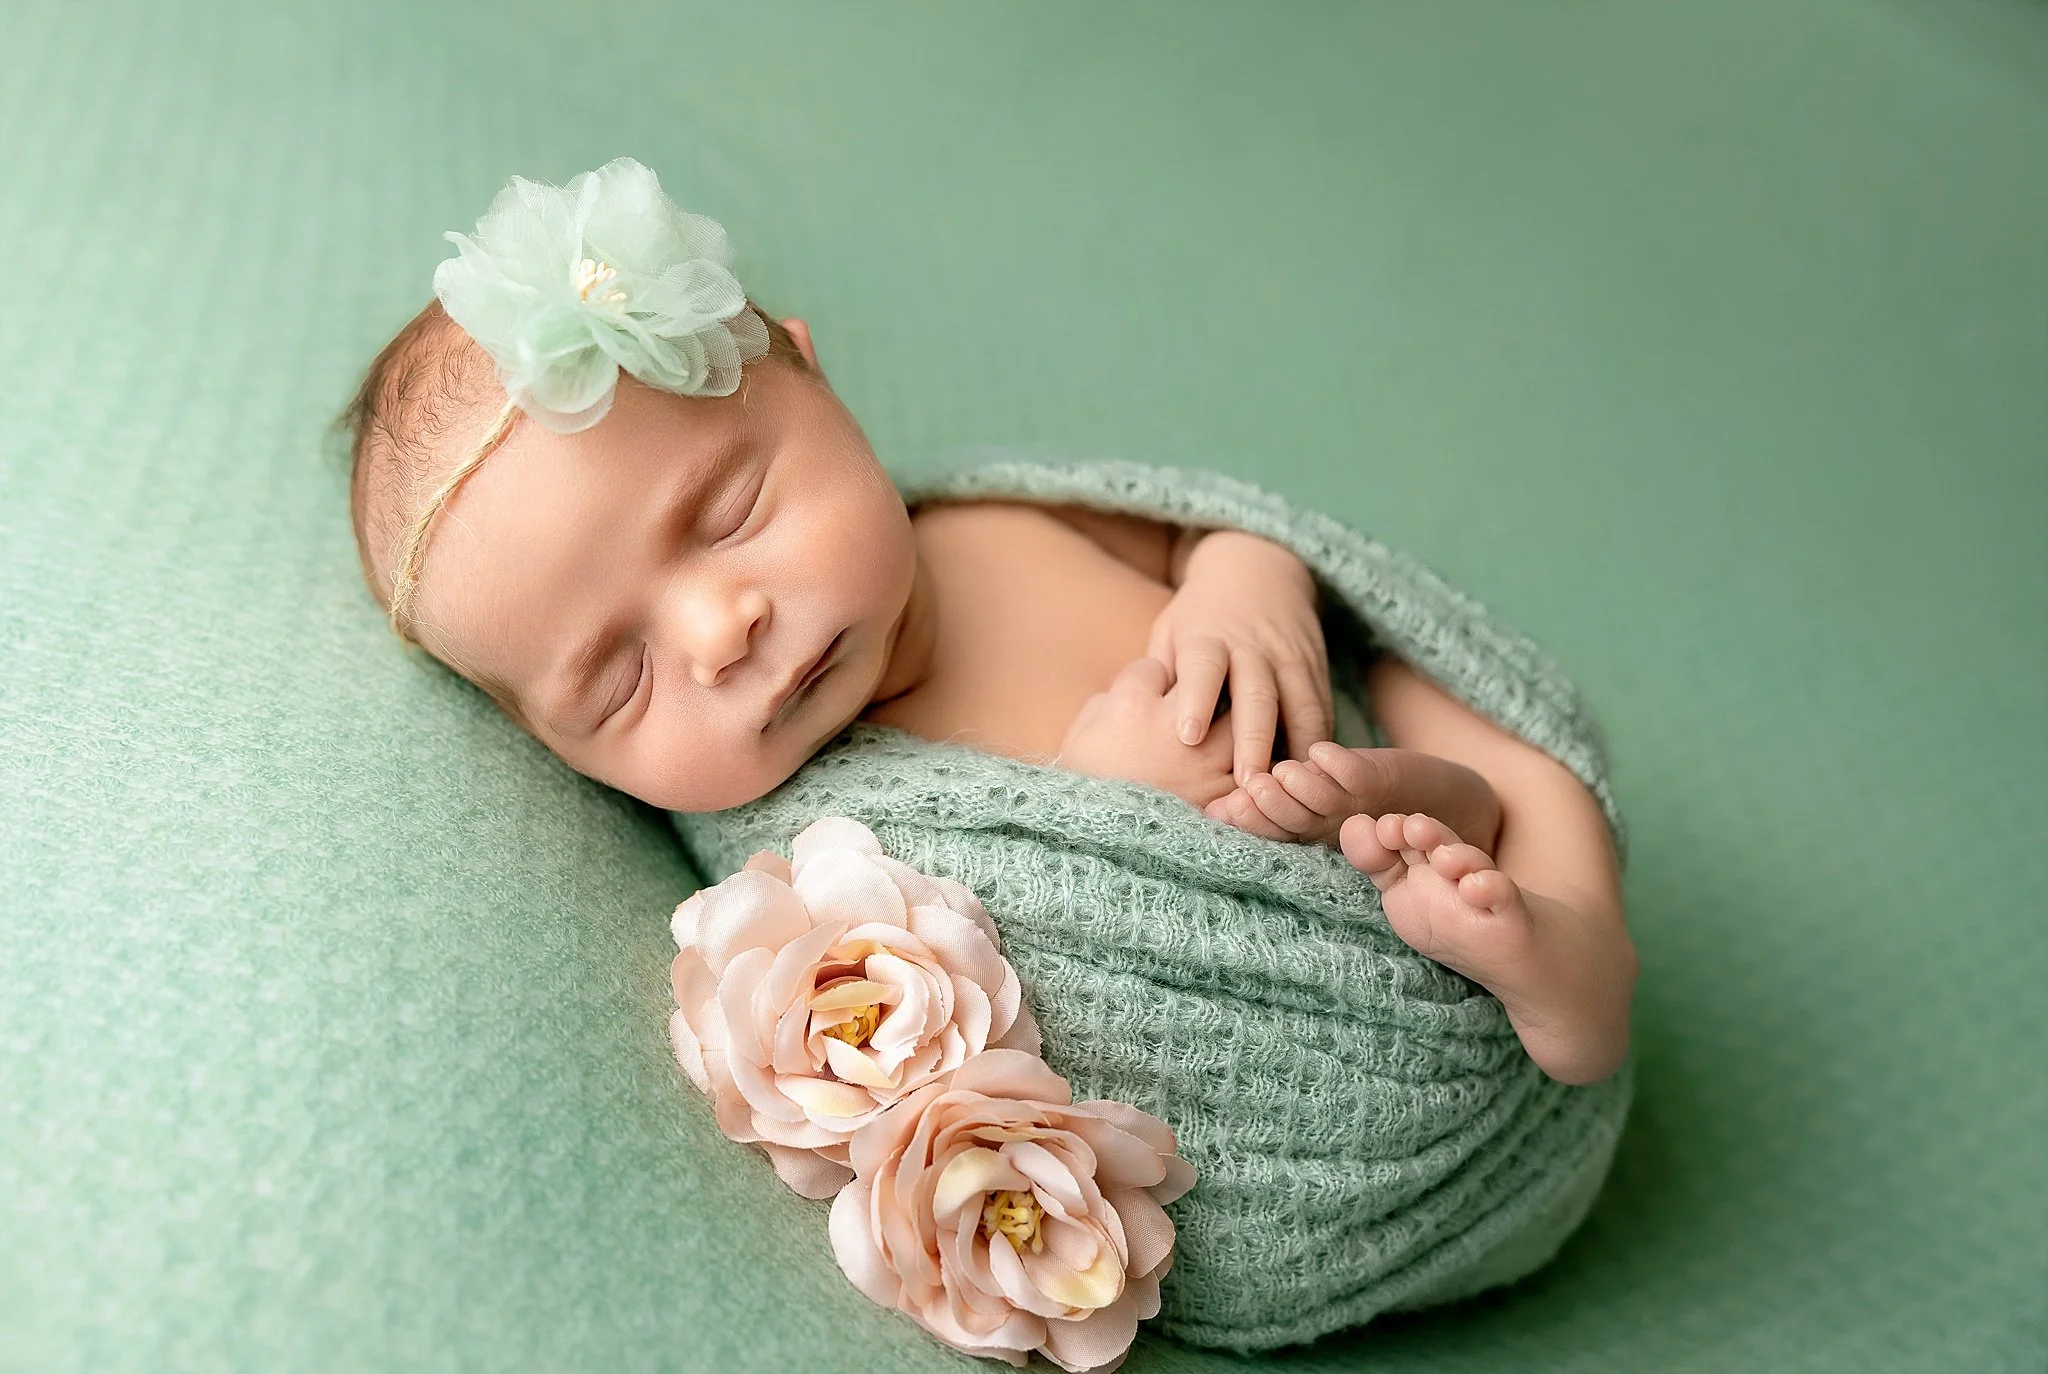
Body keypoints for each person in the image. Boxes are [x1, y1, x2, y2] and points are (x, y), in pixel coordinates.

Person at [342, 159, 1635, 1086]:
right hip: (1331, 1032)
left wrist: (1251, 584)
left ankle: (1574, 932)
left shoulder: (982, 516)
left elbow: (1207, 522)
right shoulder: (809, 858)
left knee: (1442, 687)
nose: (721, 629)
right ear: (561, 752)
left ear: (818, 379)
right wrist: (1113, 813)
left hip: (1390, 788)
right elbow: (981, 1019)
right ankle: (1480, 911)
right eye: (620, 680)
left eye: (731, 510)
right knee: (1412, 811)